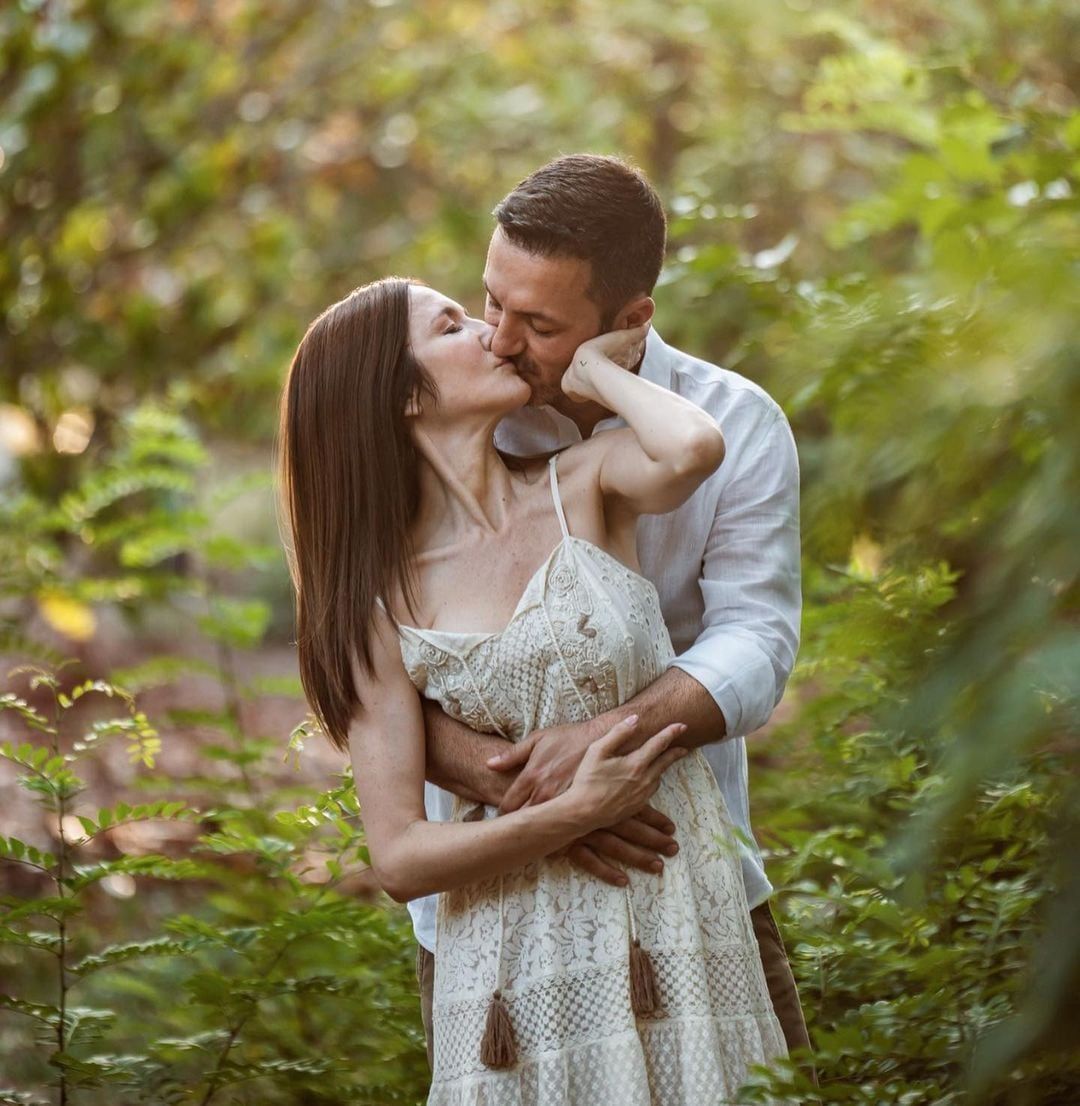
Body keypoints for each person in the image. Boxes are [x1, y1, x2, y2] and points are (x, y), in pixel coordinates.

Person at [277, 276, 787, 1103]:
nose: (493, 336)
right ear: (402, 395)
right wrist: (570, 814)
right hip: (512, 948)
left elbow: (696, 447)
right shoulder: (379, 601)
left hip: (677, 897)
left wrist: (596, 372)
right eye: (453, 325)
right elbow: (400, 855)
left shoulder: (579, 480)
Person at [411, 154, 811, 1065]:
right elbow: (364, 670)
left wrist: (612, 742)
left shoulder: (735, 422)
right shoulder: (450, 417)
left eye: (540, 324)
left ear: (630, 321)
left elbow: (756, 639)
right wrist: (530, 789)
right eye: (490, 302)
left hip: (680, 865)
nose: (501, 340)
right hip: (492, 908)